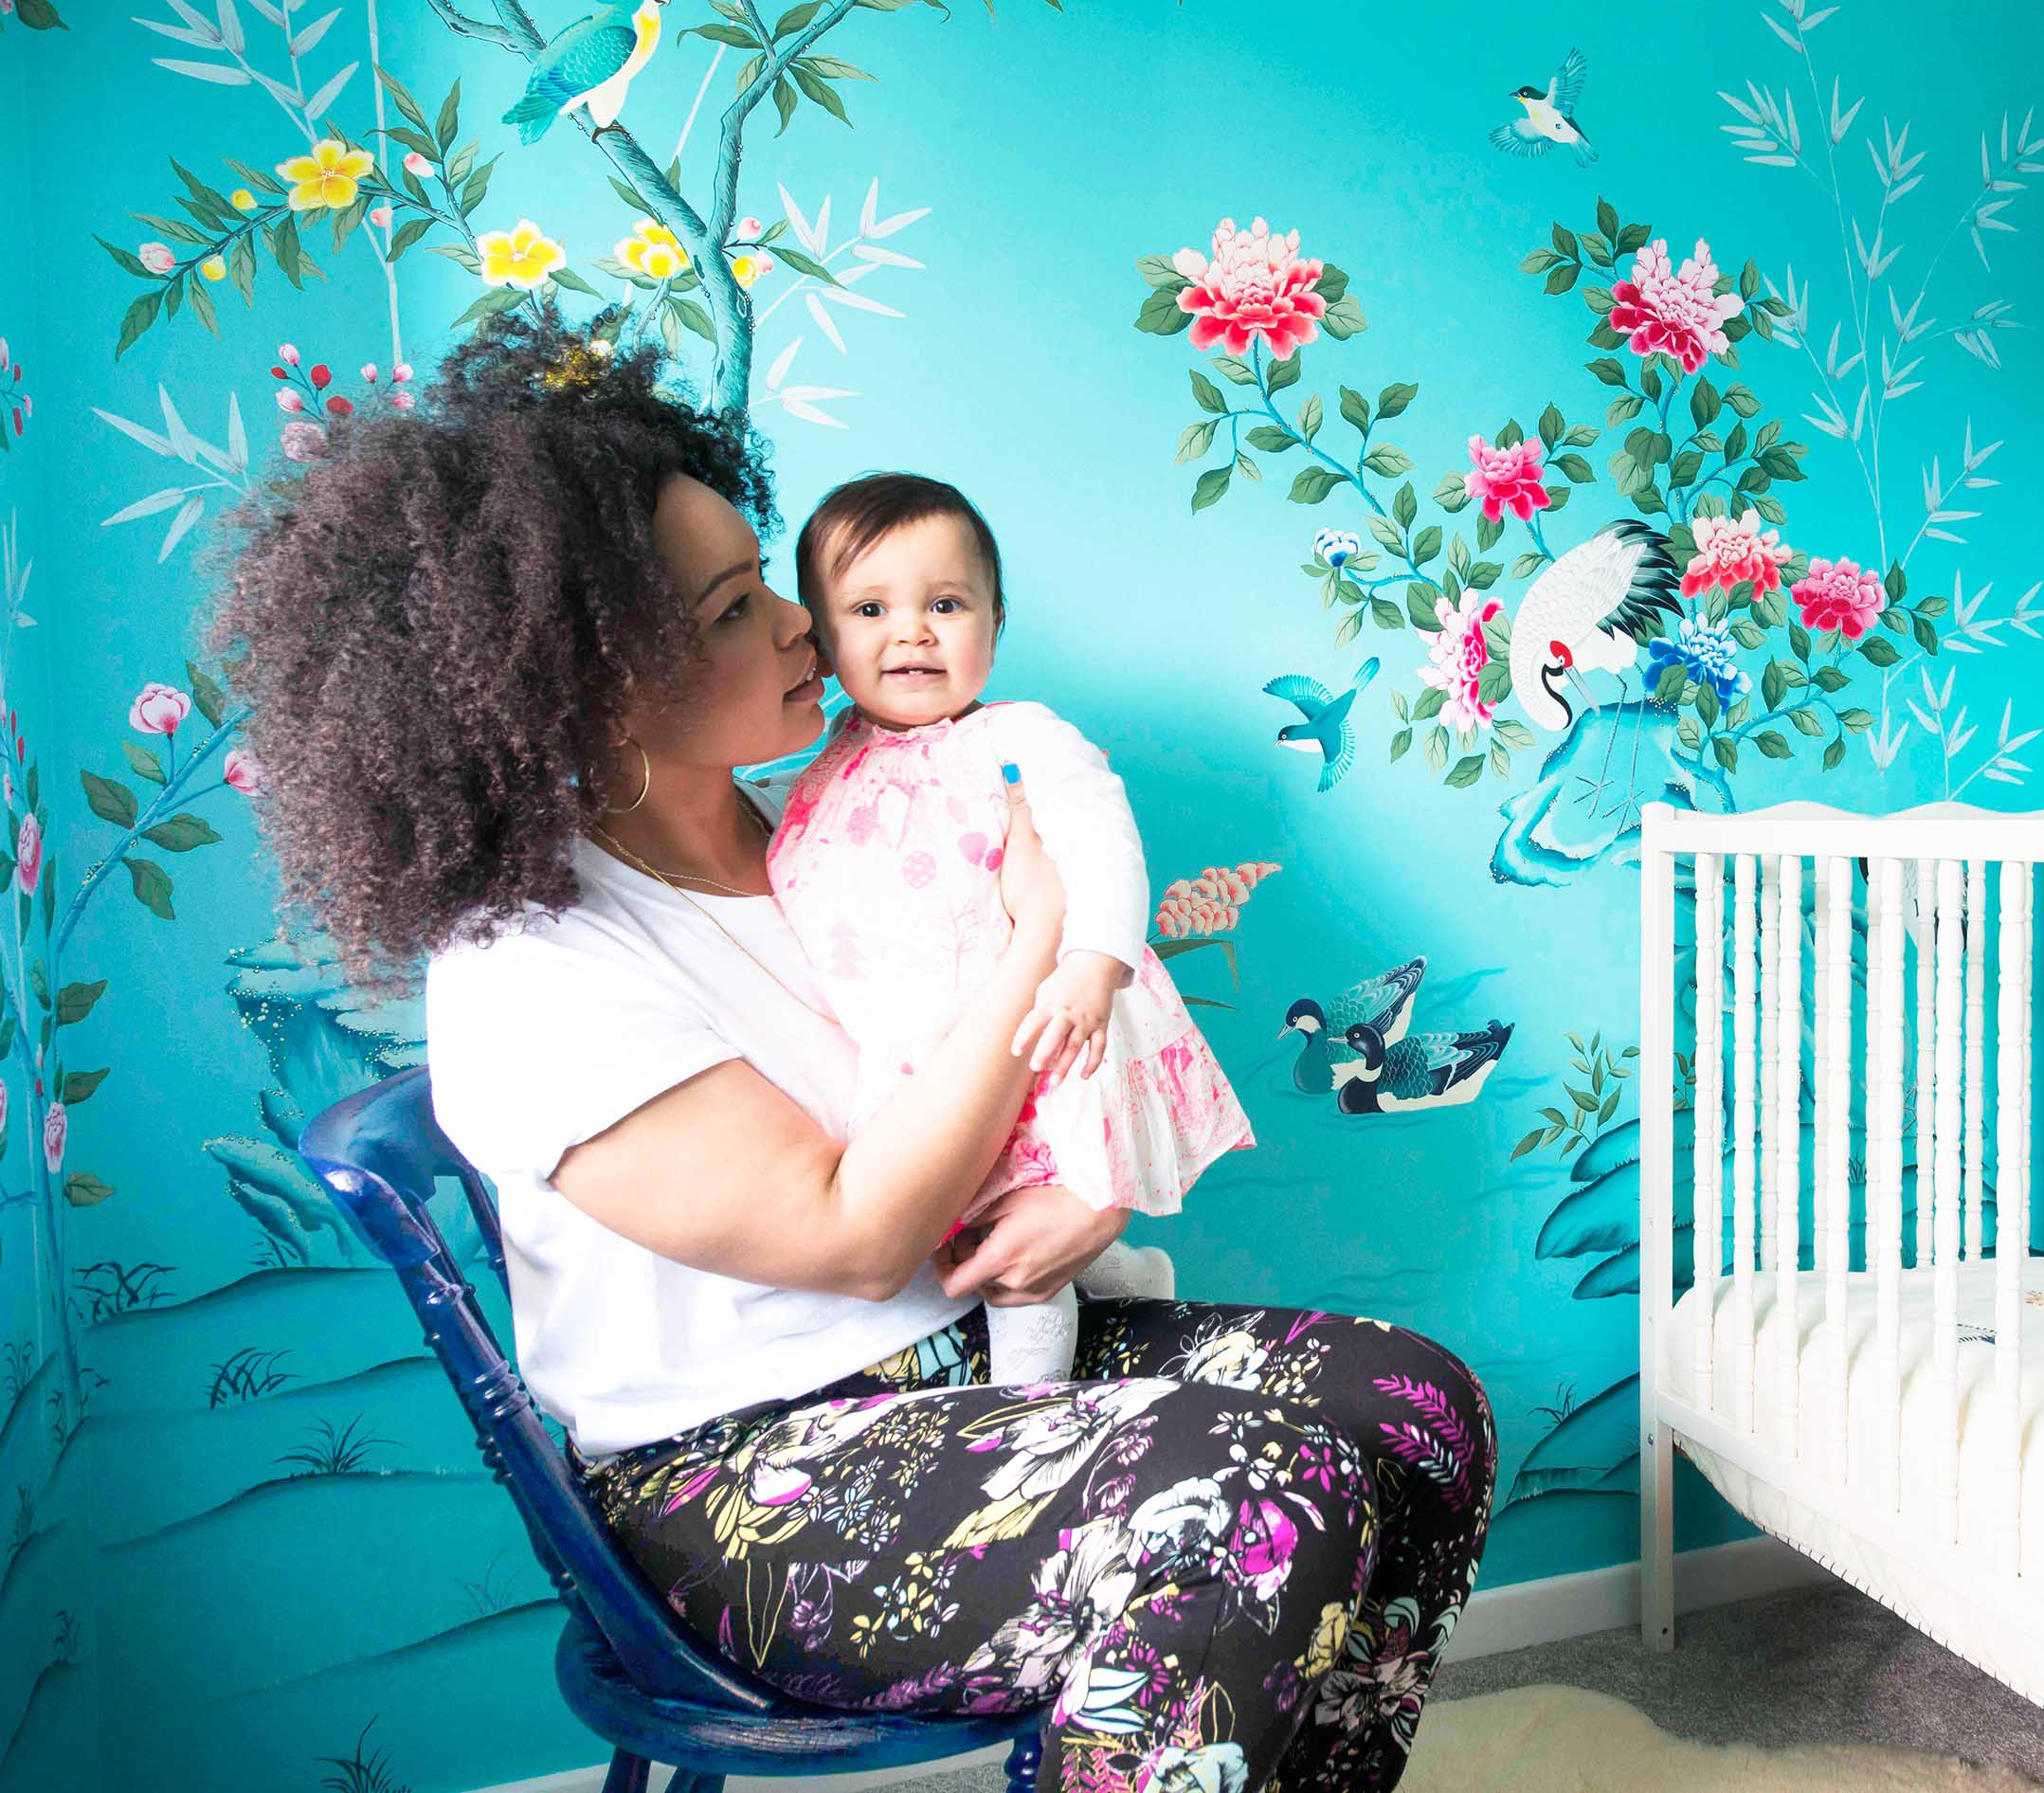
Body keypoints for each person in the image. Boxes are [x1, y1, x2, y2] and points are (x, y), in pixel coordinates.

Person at [207, 308, 1494, 1792]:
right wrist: (1026, 948)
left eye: (763, 582)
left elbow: (1068, 1033)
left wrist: (1098, 1186)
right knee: (1254, 1494)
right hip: (736, 1480)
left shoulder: (841, 822)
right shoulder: (531, 960)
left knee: (1412, 1410)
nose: (801, 626)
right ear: (580, 687)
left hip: (965, 1347)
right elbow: (855, 1225)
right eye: (731, 610)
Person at [766, 470, 1249, 1387]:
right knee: (967, 1216)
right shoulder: (821, 768)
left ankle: (1029, 1411)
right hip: (921, 1061)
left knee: (1018, 1260)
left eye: (946, 603)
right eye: (871, 607)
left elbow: (1103, 839)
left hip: (1033, 1031)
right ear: (824, 640)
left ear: (995, 619)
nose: (911, 630)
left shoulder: (1018, 737)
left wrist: (1094, 962)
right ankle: (1131, 1279)